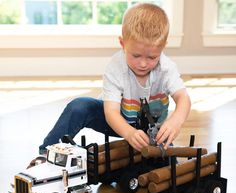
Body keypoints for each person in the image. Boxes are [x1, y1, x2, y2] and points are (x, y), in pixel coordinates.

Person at [39, 3, 191, 155]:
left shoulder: (166, 68)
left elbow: (183, 98)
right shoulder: (116, 67)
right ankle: (46, 153)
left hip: (152, 129)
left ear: (163, 47)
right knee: (79, 107)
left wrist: (175, 121)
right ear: (122, 44)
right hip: (117, 119)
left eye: (152, 57)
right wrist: (129, 133)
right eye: (136, 55)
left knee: (166, 168)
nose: (143, 64)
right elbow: (111, 112)